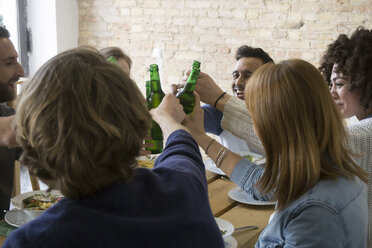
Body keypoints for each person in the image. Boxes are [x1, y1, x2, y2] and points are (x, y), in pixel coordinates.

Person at [3, 47, 224, 248]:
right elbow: (182, 148)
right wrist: (168, 119)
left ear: (32, 142)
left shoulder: (32, 241)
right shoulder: (184, 185)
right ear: (137, 120)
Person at [183, 59, 368, 247]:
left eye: (255, 116)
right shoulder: (328, 172)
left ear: (274, 126)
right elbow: (265, 186)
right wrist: (200, 137)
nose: (255, 128)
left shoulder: (315, 213)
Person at [319, 26, 372, 247]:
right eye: (330, 83)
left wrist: (220, 100)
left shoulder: (362, 133)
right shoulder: (356, 121)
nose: (331, 92)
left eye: (339, 84)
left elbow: (294, 142)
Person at [203, 45, 273, 155]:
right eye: (236, 75)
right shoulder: (220, 112)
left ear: (267, 82)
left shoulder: (279, 114)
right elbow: (184, 118)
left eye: (248, 76)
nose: (238, 83)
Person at [0, 26, 24, 219]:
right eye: (9, 63)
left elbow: (46, 159)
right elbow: (7, 132)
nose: (20, 71)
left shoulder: (7, 113)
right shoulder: (10, 124)